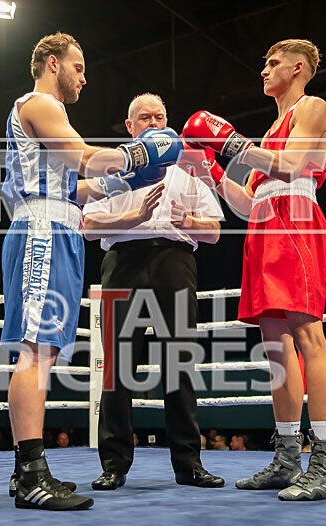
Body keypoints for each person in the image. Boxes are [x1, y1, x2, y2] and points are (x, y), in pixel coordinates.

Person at [2, 32, 181, 511]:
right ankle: (31, 474)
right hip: (42, 231)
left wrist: (125, 181)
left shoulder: (51, 115)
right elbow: (85, 158)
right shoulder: (40, 104)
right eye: (78, 67)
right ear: (53, 63)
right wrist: (140, 153)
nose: (84, 77)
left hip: (58, 226)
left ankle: (25, 470)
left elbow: (75, 187)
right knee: (36, 351)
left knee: (43, 351)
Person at [181, 39, 326, 500]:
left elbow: (291, 167)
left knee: (308, 335)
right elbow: (248, 202)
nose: (264, 71)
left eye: (273, 64)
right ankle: (288, 458)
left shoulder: (313, 108)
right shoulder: (270, 131)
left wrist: (232, 143)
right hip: (264, 227)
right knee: (275, 346)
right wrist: (212, 170)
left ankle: (325, 465)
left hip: (296, 221)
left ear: (298, 68)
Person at [83, 93, 224, 491]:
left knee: (179, 362)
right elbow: (88, 227)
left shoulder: (188, 167)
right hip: (123, 261)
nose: (154, 123)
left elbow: (214, 231)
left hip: (174, 259)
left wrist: (187, 220)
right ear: (130, 127)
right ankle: (113, 464)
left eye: (160, 116)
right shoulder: (113, 167)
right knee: (118, 366)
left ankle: (188, 463)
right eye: (145, 118)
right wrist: (134, 217)